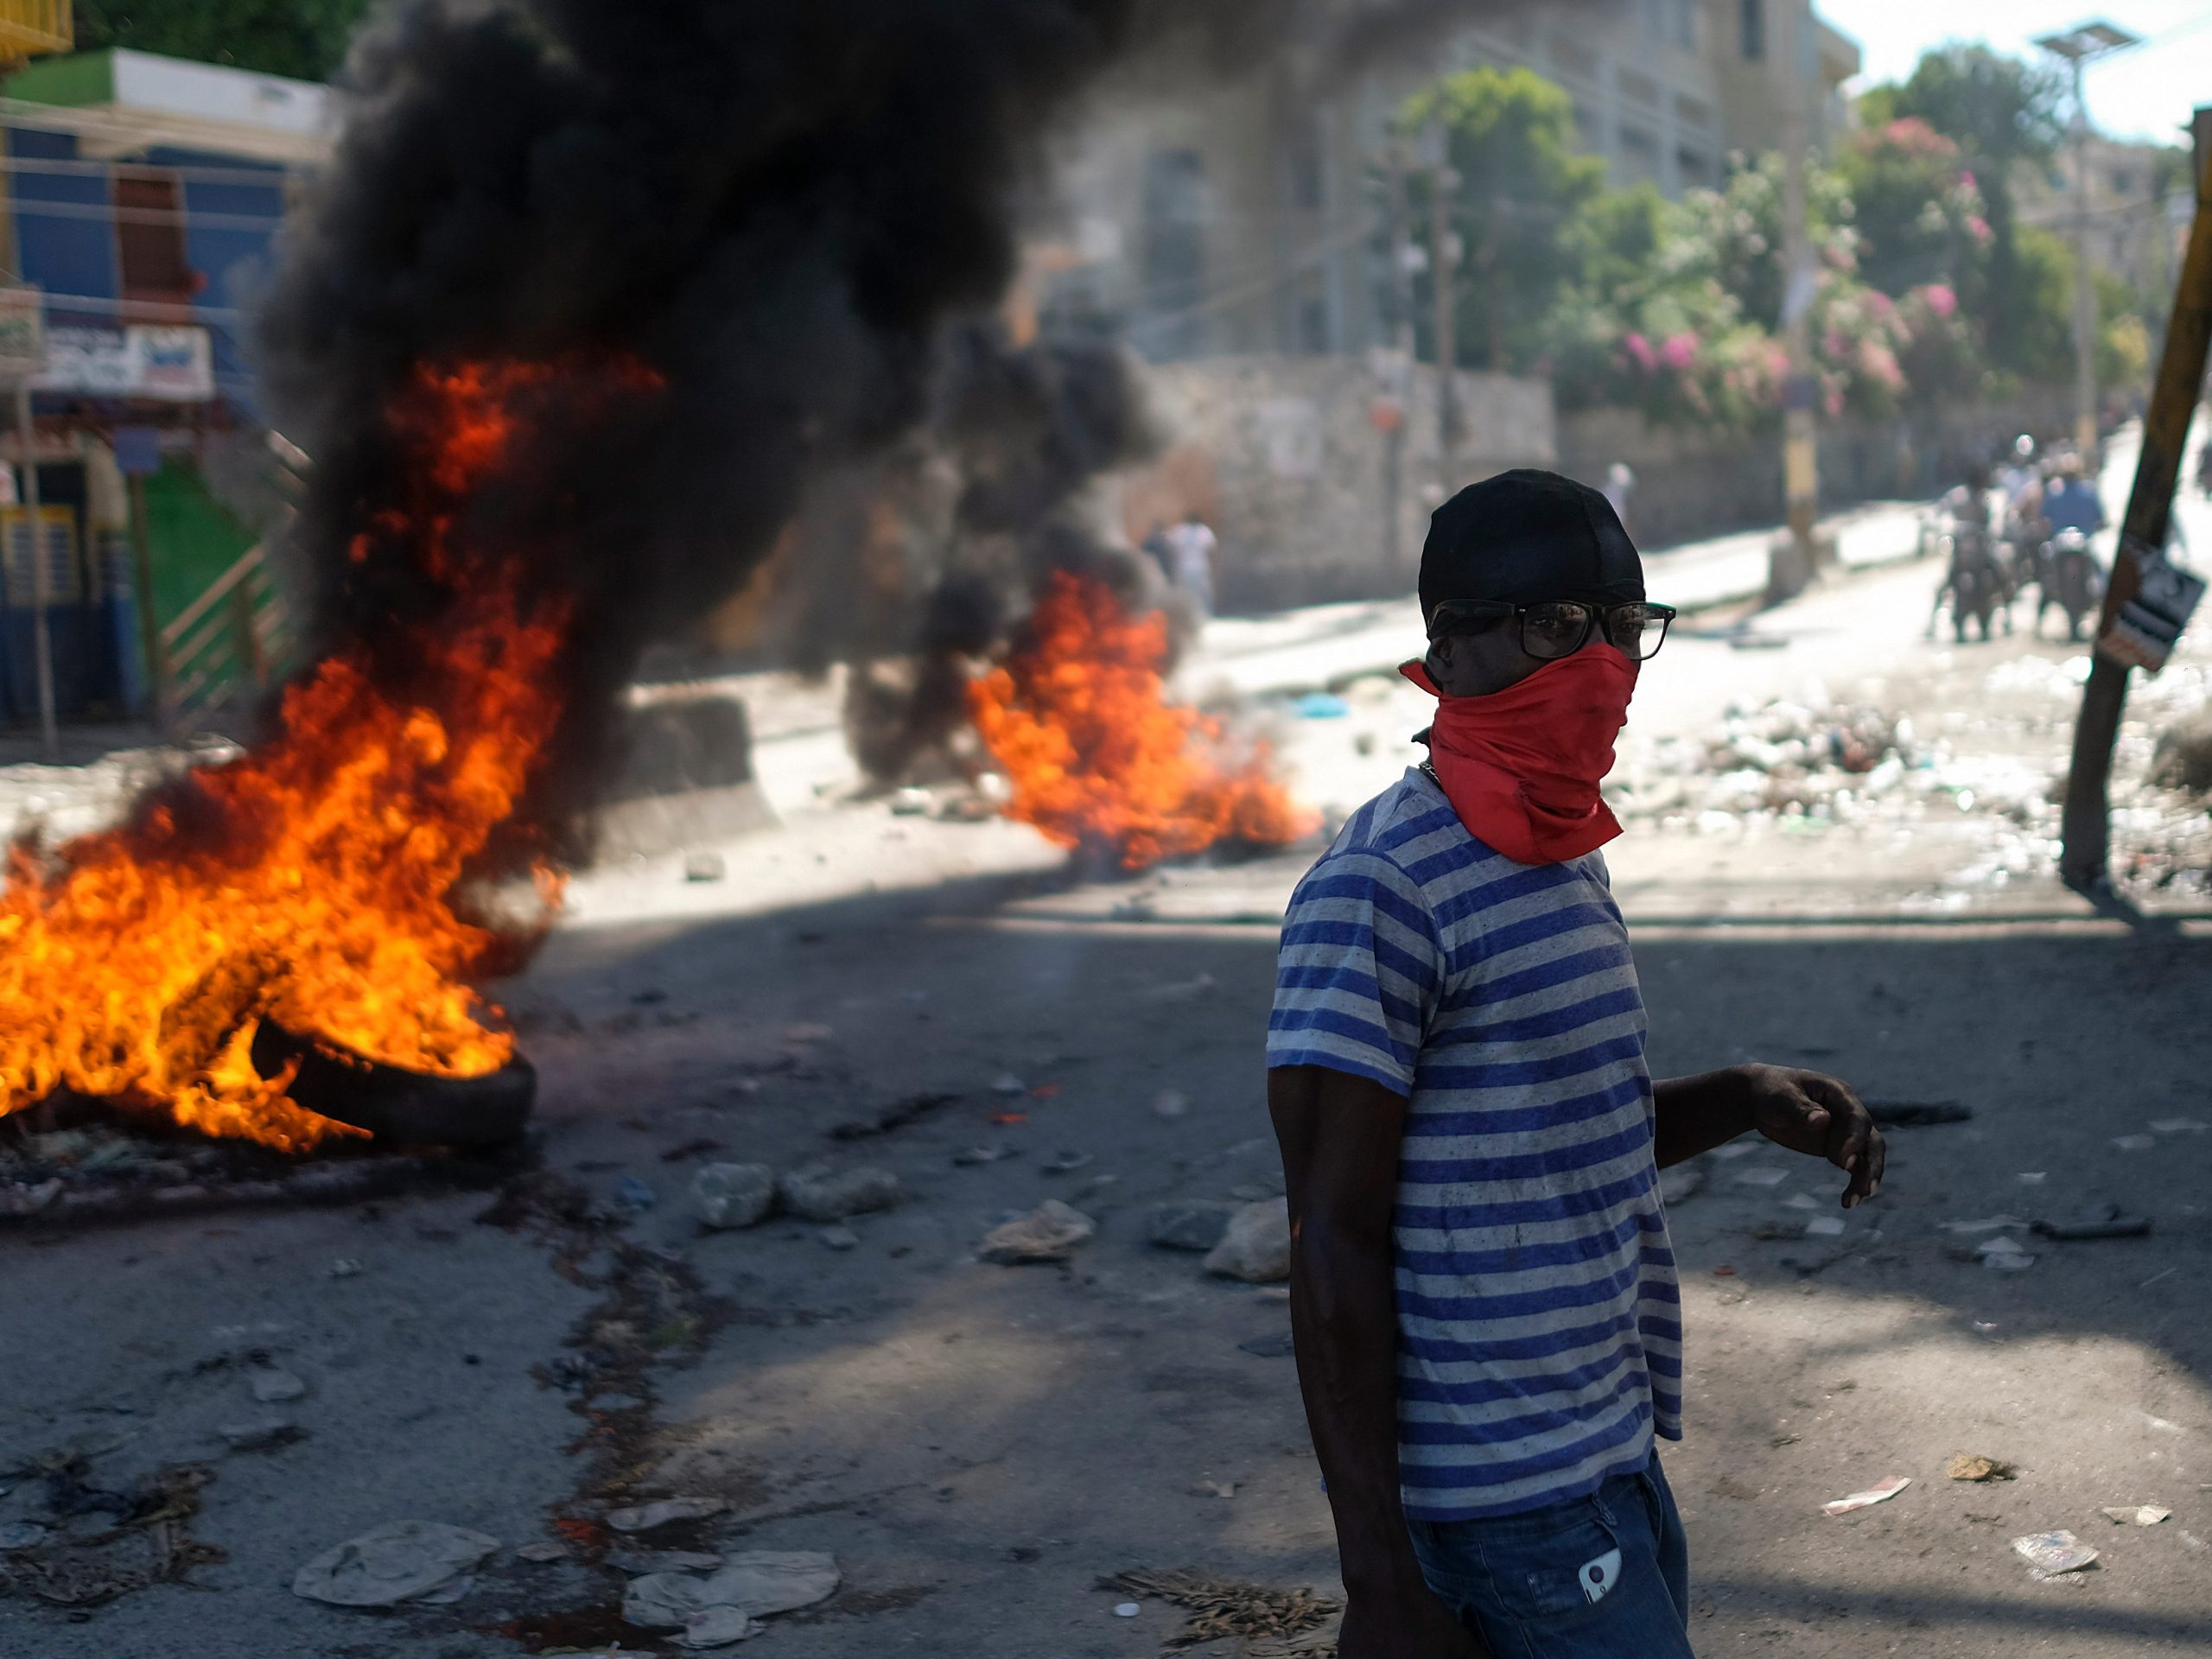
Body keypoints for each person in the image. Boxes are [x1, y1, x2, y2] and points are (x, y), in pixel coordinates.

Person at [1267, 469, 1885, 1659]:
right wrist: (1379, 1583)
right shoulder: (1378, 889)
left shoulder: (1559, 852)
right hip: (1505, 1498)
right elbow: (1329, 1236)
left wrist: (1741, 1099)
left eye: (1623, 629)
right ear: (1449, 645)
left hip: (1611, 1450)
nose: (1600, 663)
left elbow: (1544, 1135)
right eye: (1557, 627)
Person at [1166, 509, 1217, 618]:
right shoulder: (1204, 531)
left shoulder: (1180, 531)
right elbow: (1211, 551)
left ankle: (1187, 615)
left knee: (1187, 593)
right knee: (1201, 593)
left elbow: (1171, 546)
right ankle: (1205, 614)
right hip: (1200, 567)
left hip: (1185, 567)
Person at [2042, 459, 2107, 541]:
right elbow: (2100, 521)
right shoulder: (2089, 496)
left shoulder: (2053, 497)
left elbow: (2045, 521)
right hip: (2084, 542)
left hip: (2060, 543)